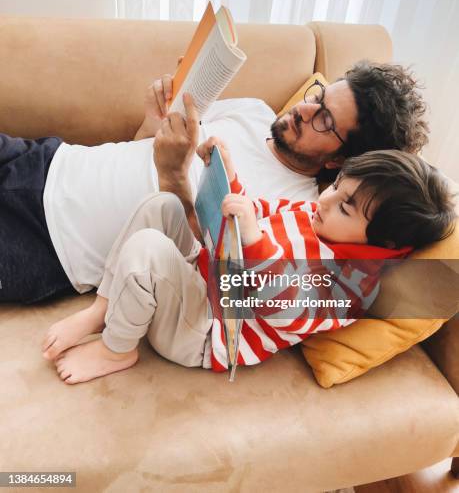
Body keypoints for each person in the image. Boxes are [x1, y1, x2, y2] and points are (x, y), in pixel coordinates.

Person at [41, 95, 455, 383]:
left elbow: (284, 306)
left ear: (380, 245)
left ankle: (116, 349)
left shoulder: (350, 287)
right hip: (203, 281)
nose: (326, 202)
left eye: (346, 207)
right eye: (337, 187)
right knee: (162, 206)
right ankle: (102, 309)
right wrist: (229, 174)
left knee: (147, 251)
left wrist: (255, 242)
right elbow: (258, 209)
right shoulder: (317, 215)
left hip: (204, 332)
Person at [1, 61, 428, 304]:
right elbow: (137, 151)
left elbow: (187, 273)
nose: (305, 109)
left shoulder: (289, 214)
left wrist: (173, 177)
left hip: (51, 248)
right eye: (318, 96)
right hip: (49, 160)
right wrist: (153, 121)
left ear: (338, 159)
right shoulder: (253, 110)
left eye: (325, 120)